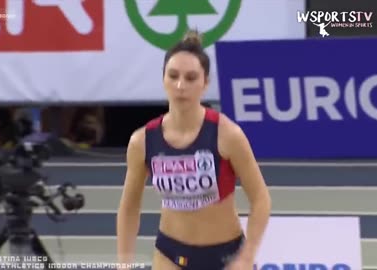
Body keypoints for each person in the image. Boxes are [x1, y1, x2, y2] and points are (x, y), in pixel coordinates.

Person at [116, 30, 271, 270]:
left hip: (226, 257)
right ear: (163, 79)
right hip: (170, 254)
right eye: (173, 76)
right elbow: (129, 208)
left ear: (205, 83)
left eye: (191, 78)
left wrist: (247, 256)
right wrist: (123, 264)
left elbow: (261, 199)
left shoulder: (227, 135)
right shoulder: (142, 141)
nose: (180, 85)